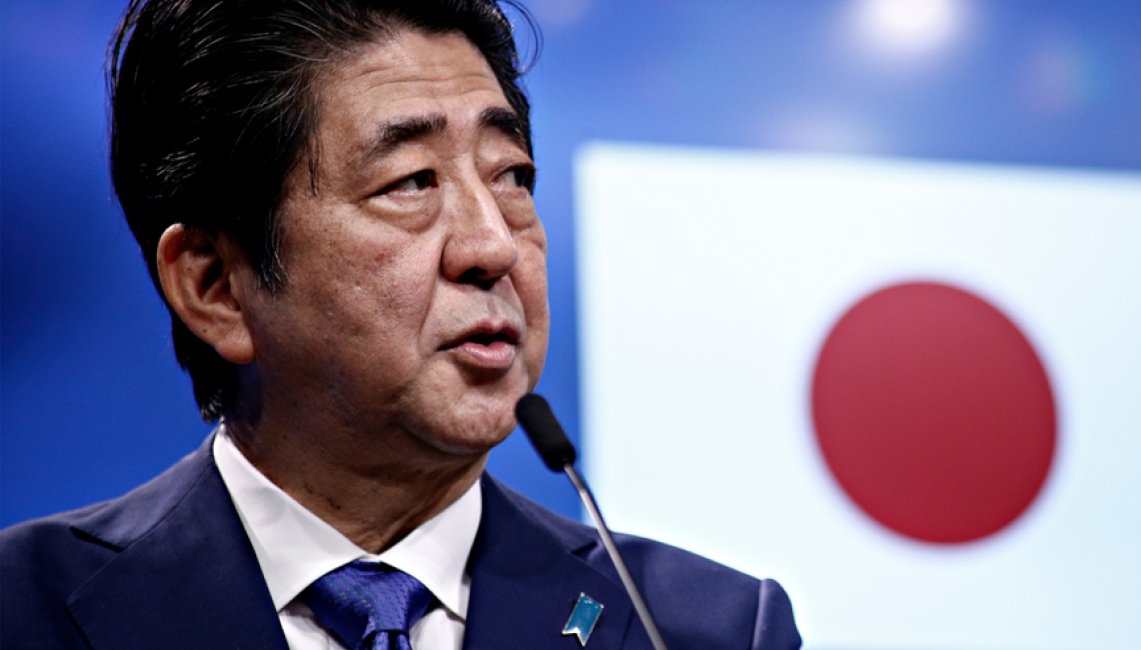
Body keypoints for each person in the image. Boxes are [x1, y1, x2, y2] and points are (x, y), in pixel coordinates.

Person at [0, 1, 802, 648]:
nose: (494, 243)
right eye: (411, 181)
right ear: (215, 286)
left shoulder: (703, 629)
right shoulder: (26, 611)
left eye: (511, 176)